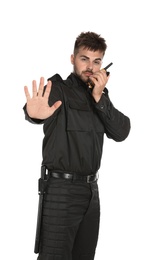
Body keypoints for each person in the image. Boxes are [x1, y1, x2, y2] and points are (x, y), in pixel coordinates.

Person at [23, 31, 131, 260]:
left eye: (97, 61)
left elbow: (121, 132)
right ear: (73, 59)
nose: (90, 67)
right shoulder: (59, 88)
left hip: (91, 193)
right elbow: (38, 108)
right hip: (61, 191)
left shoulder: (100, 97)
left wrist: (100, 98)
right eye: (84, 59)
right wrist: (33, 114)